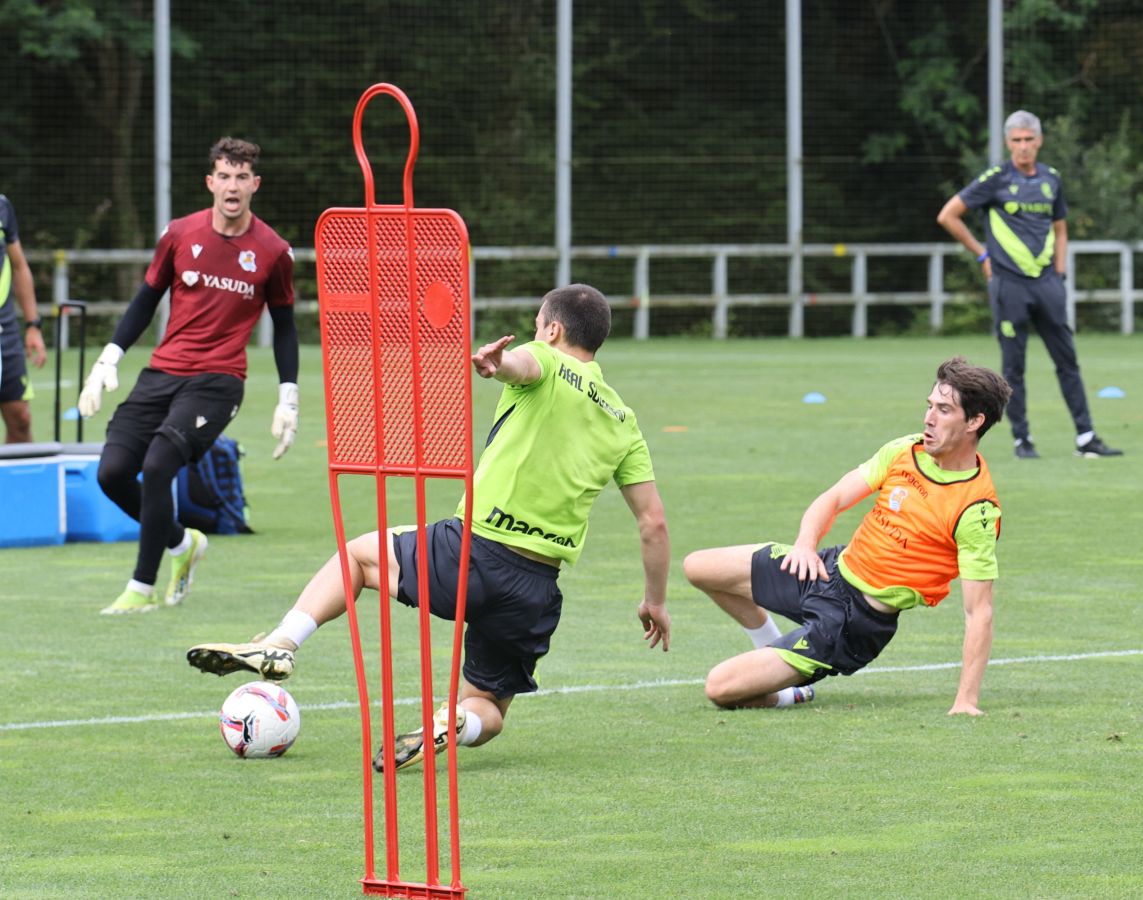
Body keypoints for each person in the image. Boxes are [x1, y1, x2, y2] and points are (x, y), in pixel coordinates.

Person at [187, 284, 672, 770]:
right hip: (535, 588)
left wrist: (496, 365)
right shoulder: (623, 420)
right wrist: (654, 601)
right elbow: (653, 523)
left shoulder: (545, 359)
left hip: (472, 552)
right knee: (490, 706)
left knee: (357, 556)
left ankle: (281, 644)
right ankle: (456, 722)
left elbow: (524, 365)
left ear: (553, 329)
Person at [685, 357, 1011, 716]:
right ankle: (773, 650)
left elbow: (979, 611)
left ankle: (787, 691)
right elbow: (834, 497)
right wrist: (806, 547)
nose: (928, 418)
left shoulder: (976, 509)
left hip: (853, 622)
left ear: (975, 422)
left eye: (944, 410)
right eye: (930, 405)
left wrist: (966, 701)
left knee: (720, 688)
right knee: (698, 567)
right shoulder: (906, 450)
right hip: (829, 570)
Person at [77, 137, 299, 615]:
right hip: (162, 372)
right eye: (224, 176)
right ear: (210, 182)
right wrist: (108, 359)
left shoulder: (273, 251)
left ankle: (141, 587)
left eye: (242, 177)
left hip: (218, 381)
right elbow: (145, 300)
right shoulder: (180, 233)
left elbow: (284, 327)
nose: (233, 186)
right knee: (112, 473)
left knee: (158, 467)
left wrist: (289, 397)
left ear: (254, 185)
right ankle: (182, 543)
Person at [937, 109, 1122, 460]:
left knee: (1068, 362)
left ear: (1039, 141)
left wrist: (1061, 273)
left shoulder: (1051, 179)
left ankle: (1086, 438)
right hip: (1009, 287)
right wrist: (982, 256)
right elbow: (948, 215)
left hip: (1047, 285)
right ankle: (1022, 440)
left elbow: (1061, 227)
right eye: (1017, 140)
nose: (1023, 147)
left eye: (1029, 140)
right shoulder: (995, 179)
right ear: (1009, 143)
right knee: (1013, 370)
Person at [0, 194, 48, 443]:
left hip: (4, 331)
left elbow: (19, 266)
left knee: (20, 418)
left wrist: (33, 325)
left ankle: (15, 482)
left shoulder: (2, 206)